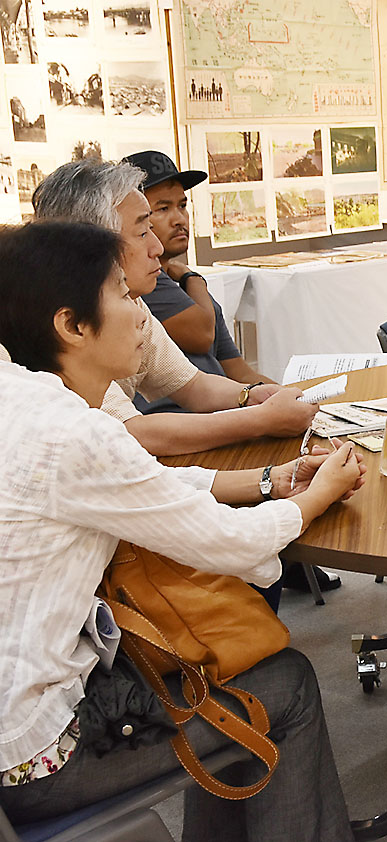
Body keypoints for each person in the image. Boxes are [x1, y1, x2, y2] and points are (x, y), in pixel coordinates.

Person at [0, 220, 367, 841]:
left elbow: (140, 482)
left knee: (225, 682)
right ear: (72, 325)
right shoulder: (75, 434)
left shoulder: (24, 399)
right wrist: (317, 496)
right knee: (286, 686)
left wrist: (270, 481)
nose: (142, 314)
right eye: (123, 294)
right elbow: (234, 542)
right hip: (33, 753)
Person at [121, 150, 338, 599]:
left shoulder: (137, 296)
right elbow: (133, 438)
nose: (164, 234)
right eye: (149, 221)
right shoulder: (138, 297)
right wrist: (260, 425)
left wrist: (259, 398)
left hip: (196, 446)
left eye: (182, 206)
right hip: (182, 449)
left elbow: (203, 379)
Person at [26, 159, 316, 456]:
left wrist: (252, 395)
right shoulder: (64, 320)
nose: (158, 248)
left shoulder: (130, 300)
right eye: (143, 232)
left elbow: (192, 385)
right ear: (90, 242)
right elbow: (132, 433)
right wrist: (260, 419)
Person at [122, 150, 276, 414]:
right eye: (162, 209)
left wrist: (295, 397)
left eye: (182, 206)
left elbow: (238, 371)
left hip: (224, 413)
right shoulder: (141, 287)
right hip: (184, 423)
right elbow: (203, 336)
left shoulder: (176, 283)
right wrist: (192, 278)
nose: (179, 219)